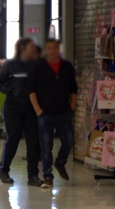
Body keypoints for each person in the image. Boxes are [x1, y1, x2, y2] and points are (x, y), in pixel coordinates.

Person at [28, 39, 78, 189]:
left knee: (68, 142)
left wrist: (73, 104)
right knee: (46, 145)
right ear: (45, 50)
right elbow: (31, 90)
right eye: (49, 48)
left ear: (58, 49)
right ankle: (48, 176)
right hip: (45, 113)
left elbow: (73, 88)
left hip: (64, 112)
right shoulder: (38, 67)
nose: (52, 51)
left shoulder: (67, 66)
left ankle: (60, 162)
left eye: (55, 48)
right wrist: (37, 109)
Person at [0, 38, 43, 186]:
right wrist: (11, 90)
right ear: (23, 49)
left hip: (31, 108)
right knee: (13, 139)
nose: (34, 50)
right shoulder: (11, 65)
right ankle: (3, 170)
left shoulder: (36, 66)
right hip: (13, 107)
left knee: (33, 141)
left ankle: (33, 175)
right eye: (31, 47)